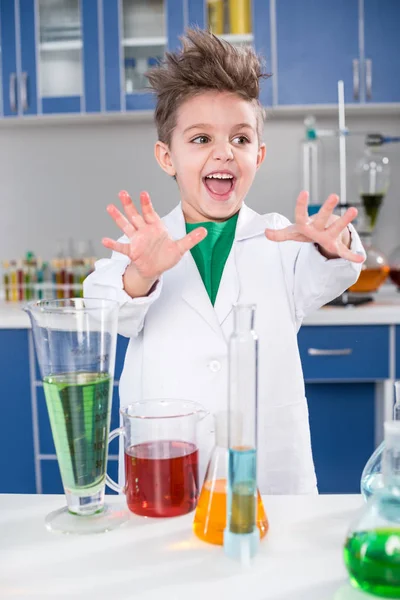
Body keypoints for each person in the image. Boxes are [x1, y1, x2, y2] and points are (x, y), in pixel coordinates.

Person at [84, 28, 365, 494]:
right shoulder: (145, 245)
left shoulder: (281, 240)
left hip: (270, 486)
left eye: (239, 138)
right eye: (200, 139)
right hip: (168, 479)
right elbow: (104, 304)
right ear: (166, 156)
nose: (223, 152)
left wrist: (329, 242)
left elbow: (334, 268)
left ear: (259, 154)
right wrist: (143, 273)